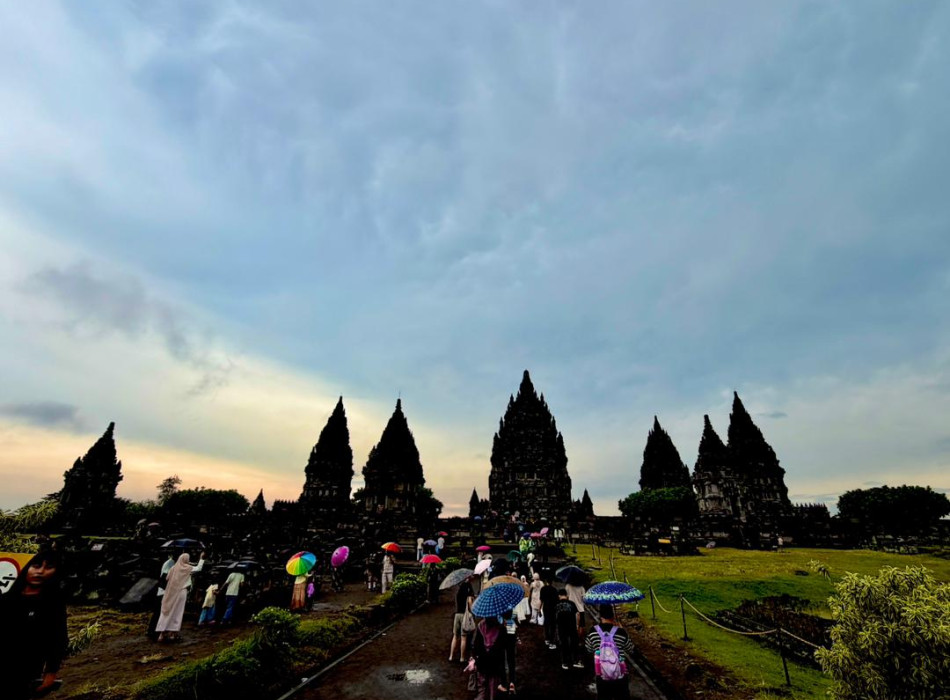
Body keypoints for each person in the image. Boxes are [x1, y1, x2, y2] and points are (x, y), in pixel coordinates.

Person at [0, 550, 68, 699]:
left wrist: (51, 672)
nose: (41, 571)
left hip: (24, 672)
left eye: (48, 567)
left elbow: (58, 639)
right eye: (36, 566)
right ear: (26, 567)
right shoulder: (6, 598)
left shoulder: (53, 604)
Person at [585, 604, 635, 699]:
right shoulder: (621, 632)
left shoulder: (593, 631)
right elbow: (631, 649)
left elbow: (589, 648)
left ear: (600, 617)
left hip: (601, 673)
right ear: (613, 616)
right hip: (620, 673)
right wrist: (623, 630)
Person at [156, 552, 205, 641]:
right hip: (182, 592)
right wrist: (201, 558)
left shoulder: (173, 568)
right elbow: (198, 568)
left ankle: (161, 634)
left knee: (167, 612)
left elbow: (167, 578)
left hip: (170, 592)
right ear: (186, 560)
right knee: (178, 612)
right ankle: (172, 633)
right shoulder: (187, 568)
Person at [471, 615, 506, 700]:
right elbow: (503, 648)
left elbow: (476, 646)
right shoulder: (501, 628)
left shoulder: (480, 626)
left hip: (482, 663)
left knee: (482, 689)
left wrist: (474, 658)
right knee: (492, 691)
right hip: (494, 665)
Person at [147, 553, 176, 639]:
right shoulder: (170, 563)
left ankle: (155, 631)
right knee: (158, 612)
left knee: (160, 613)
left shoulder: (172, 563)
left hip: (164, 591)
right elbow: (164, 577)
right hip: (163, 592)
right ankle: (153, 631)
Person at [555, 588, 583, 669]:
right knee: (574, 643)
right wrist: (577, 626)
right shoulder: (572, 603)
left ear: (559, 596)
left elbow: (554, 617)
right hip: (571, 626)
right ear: (566, 595)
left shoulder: (556, 604)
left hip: (561, 627)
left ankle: (565, 663)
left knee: (563, 644)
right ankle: (575, 661)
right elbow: (577, 615)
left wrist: (556, 629)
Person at [449, 574, 475, 662]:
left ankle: (451, 656)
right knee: (463, 637)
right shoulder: (468, 588)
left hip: (457, 614)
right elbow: (470, 604)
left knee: (455, 636)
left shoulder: (458, 589)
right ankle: (462, 658)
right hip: (465, 615)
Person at [539, 576, 559, 649]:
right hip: (553, 608)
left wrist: (539, 609)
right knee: (553, 624)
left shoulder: (543, 589)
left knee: (546, 623)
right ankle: (552, 641)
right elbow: (557, 601)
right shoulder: (554, 590)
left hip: (546, 608)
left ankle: (547, 639)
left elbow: (541, 600)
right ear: (552, 582)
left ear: (546, 582)